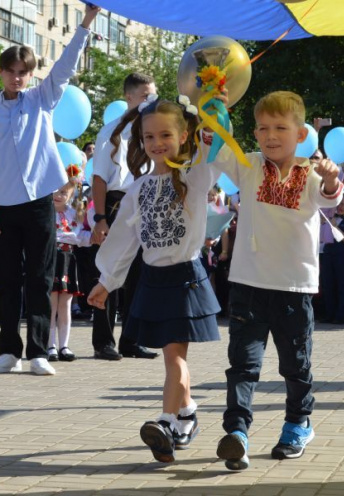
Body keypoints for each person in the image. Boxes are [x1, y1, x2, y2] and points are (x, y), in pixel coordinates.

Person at [207, 91, 343, 470]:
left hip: (293, 289)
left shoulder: (311, 174)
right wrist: (216, 105)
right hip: (248, 286)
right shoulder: (249, 165)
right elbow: (219, 145)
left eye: (281, 128)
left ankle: (298, 423)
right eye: (264, 128)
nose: (271, 135)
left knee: (295, 366)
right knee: (242, 365)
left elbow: (330, 197)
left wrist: (332, 180)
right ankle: (237, 433)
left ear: (300, 134)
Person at [88, 95, 221, 463]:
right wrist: (107, 281)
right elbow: (124, 240)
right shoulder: (138, 188)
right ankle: (188, 413)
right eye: (149, 137)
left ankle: (166, 421)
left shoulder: (195, 174)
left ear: (183, 135)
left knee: (174, 358)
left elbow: (217, 150)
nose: (157, 143)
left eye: (165, 134)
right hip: (152, 280)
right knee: (172, 358)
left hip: (184, 279)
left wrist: (215, 115)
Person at [0, 5, 100, 376]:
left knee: (42, 279)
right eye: (11, 72)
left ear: (30, 75)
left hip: (41, 203)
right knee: (9, 280)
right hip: (3, 206)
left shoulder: (42, 100)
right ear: (1, 72)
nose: (17, 78)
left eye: (23, 73)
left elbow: (65, 67)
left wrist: (86, 23)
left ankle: (39, 352)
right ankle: (8, 352)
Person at [89, 72, 159, 361]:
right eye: (145, 96)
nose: (150, 101)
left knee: (140, 275)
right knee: (111, 271)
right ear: (129, 97)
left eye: (153, 95)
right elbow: (100, 179)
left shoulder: (154, 130)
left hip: (146, 202)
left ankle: (132, 339)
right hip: (118, 203)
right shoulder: (111, 132)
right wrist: (101, 217)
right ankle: (103, 341)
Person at [48, 168, 91, 362]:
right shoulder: (45, 213)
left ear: (71, 194)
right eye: (56, 191)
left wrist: (93, 237)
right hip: (50, 259)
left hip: (67, 259)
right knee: (51, 304)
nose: (59, 195)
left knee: (65, 303)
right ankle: (50, 345)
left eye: (64, 192)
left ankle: (64, 345)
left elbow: (82, 238)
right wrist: (67, 236)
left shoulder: (74, 214)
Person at [319, 193, 344, 324]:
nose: (342, 207)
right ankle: (329, 314)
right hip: (328, 252)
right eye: (341, 204)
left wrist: (335, 227)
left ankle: (341, 315)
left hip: (342, 255)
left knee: (342, 285)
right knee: (328, 284)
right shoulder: (329, 216)